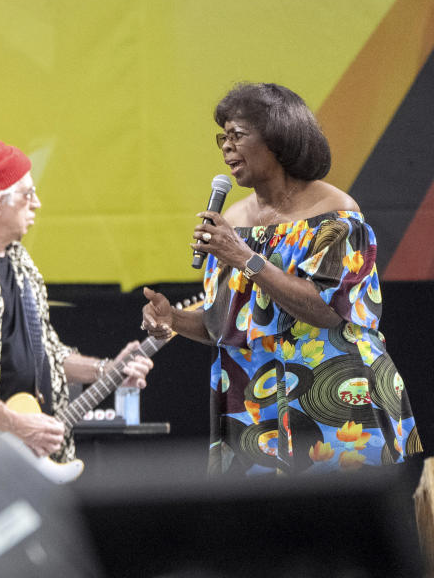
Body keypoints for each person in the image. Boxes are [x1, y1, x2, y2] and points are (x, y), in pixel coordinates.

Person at [141, 82, 422, 475]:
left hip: (333, 396)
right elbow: (224, 324)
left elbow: (324, 310)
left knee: (339, 527)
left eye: (237, 135)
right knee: (262, 531)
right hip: (252, 403)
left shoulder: (335, 214)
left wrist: (243, 257)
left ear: (278, 138)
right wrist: (173, 319)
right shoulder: (234, 222)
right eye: (222, 136)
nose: (225, 147)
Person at [0, 141, 152, 464]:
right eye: (27, 194)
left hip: (28, 453)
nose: (36, 203)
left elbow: (48, 354)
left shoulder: (20, 261)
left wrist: (106, 370)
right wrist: (13, 423)